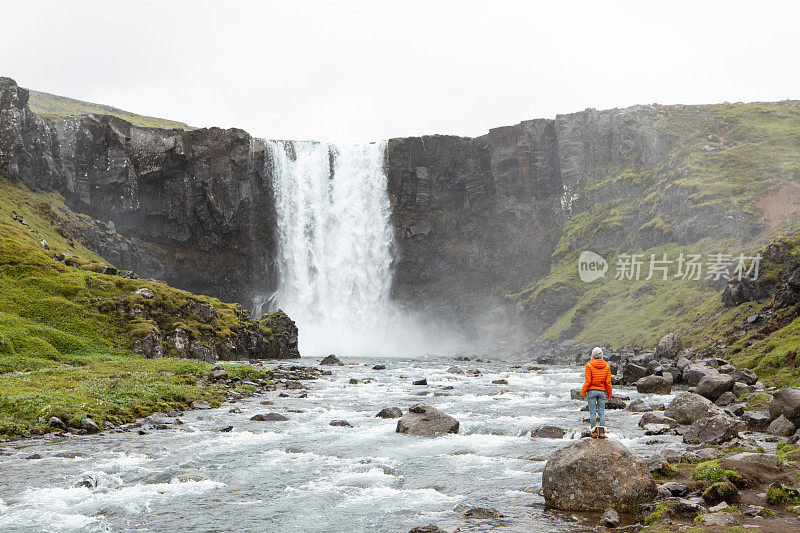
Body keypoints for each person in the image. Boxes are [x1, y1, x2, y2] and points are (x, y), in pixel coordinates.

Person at [580, 346, 612, 439]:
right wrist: (609, 394)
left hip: (591, 392)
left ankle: (594, 433)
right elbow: (608, 382)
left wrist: (582, 393)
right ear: (601, 355)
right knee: (602, 412)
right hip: (602, 392)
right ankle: (602, 433)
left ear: (592, 355)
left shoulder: (589, 365)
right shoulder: (606, 366)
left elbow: (588, 381)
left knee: (592, 412)